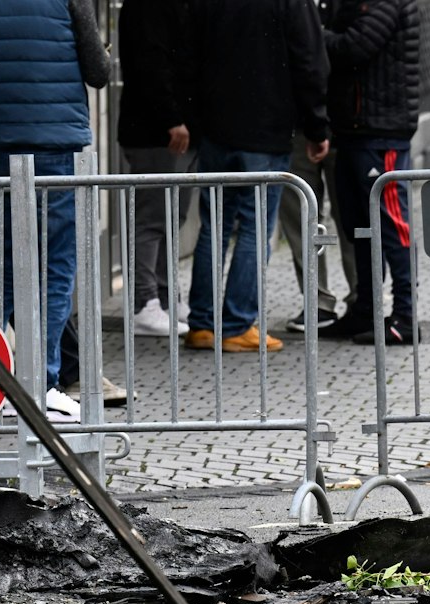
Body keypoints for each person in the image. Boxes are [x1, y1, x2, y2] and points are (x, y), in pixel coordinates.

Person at [0, 0, 111, 416]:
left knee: (9, 267)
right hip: (55, 142)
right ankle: (40, 383)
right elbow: (98, 73)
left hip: (2, 145)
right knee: (57, 267)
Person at [184, 0, 331, 353]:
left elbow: (187, 53)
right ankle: (237, 324)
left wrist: (195, 117)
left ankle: (202, 323)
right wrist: (317, 126)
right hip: (266, 128)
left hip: (217, 128)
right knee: (254, 226)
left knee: (213, 226)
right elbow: (309, 61)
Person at [317, 0, 421, 347]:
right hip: (355, 129)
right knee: (360, 226)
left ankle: (406, 316)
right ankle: (366, 309)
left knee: (392, 224)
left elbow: (354, 47)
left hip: (381, 132)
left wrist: (314, 33)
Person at [116, 0, 195, 338]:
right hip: (157, 132)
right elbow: (151, 64)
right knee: (153, 217)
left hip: (164, 129)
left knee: (168, 216)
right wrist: (172, 118)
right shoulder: (147, 8)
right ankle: (144, 302)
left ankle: (163, 297)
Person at [278, 131, 354, 332]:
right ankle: (319, 302)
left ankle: (360, 298)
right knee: (301, 217)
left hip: (345, 127)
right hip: (300, 127)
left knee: (351, 217)